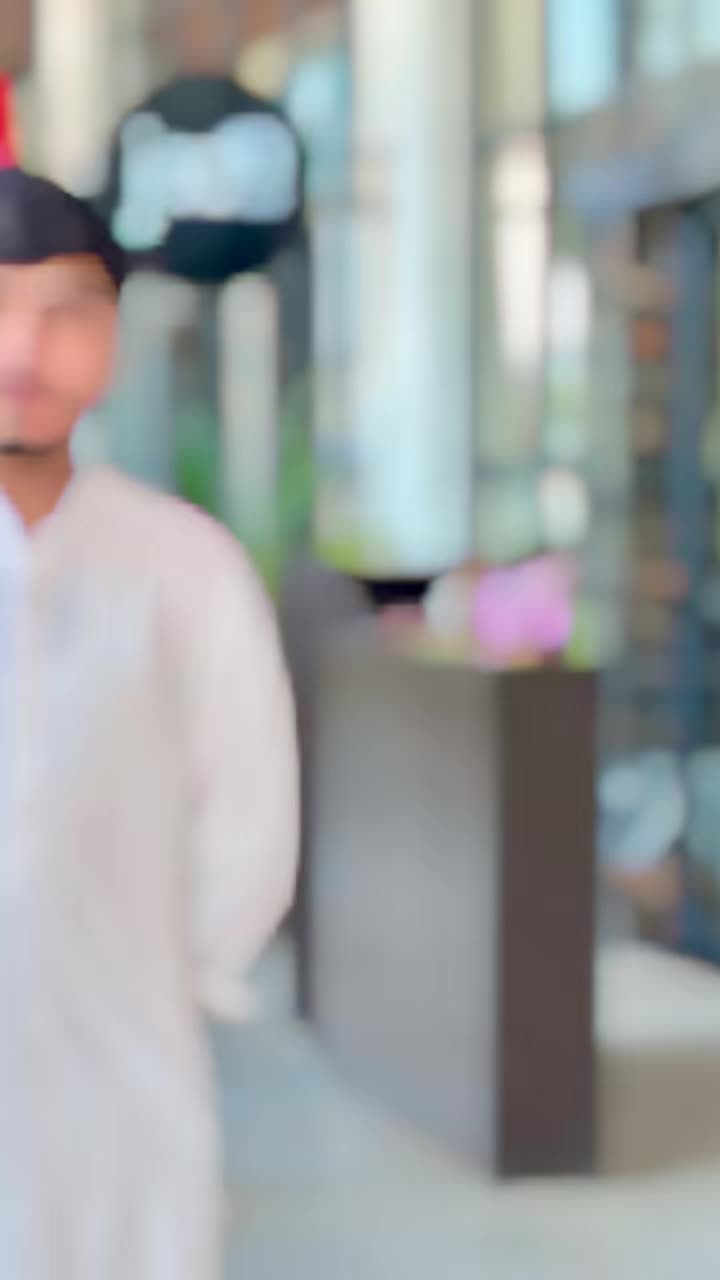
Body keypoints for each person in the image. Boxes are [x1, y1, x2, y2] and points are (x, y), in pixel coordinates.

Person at [0, 168, 299, 1278]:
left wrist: (179, 974)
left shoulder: (185, 567)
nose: (24, 347)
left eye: (65, 310)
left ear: (114, 336)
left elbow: (250, 810)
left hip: (128, 1068)